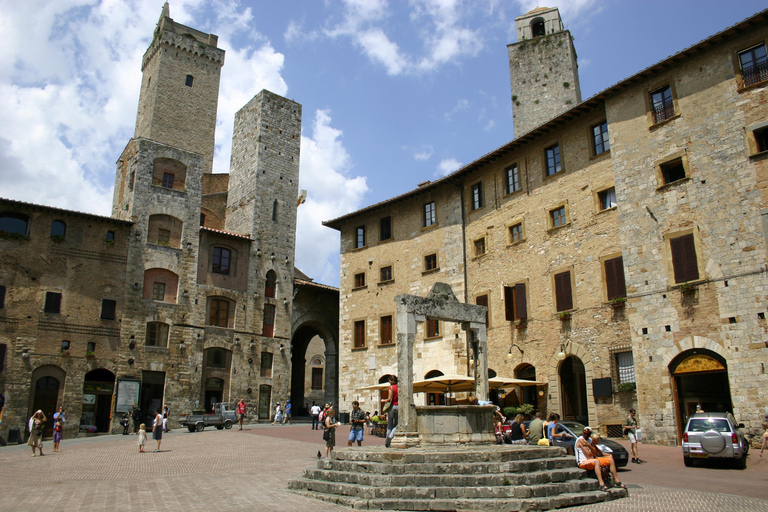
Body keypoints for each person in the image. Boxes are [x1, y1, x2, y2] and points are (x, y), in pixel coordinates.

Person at [574, 426, 626, 491]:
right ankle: (601, 484)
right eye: (585, 433)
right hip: (583, 462)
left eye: (588, 434)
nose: (586, 435)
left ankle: (617, 481)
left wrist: (589, 445)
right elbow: (589, 454)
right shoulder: (580, 440)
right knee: (596, 461)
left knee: (610, 460)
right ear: (583, 433)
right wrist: (590, 448)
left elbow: (595, 451)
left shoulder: (589, 441)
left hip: (592, 460)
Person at [381, 375, 398, 448]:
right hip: (398, 406)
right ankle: (391, 437)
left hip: (392, 406)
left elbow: (389, 398)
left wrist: (383, 400)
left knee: (390, 424)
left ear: (391, 381)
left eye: (389, 381)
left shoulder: (390, 387)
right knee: (397, 424)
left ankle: (388, 438)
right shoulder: (398, 387)